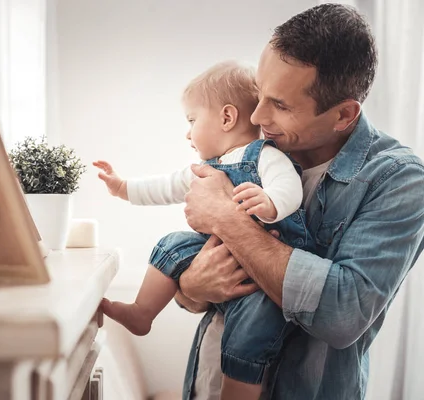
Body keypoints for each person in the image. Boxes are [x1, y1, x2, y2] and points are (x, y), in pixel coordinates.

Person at [176, 4, 424, 400]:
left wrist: (226, 218)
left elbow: (341, 314)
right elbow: (191, 286)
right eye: (261, 93)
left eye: (281, 105)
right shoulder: (253, 150)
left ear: (343, 114)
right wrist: (190, 286)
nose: (256, 116)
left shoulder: (398, 179)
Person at [94, 61, 314, 400]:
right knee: (170, 245)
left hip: (261, 280)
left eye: (192, 121)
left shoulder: (264, 156)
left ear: (226, 118)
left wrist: (270, 203)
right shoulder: (204, 168)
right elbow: (164, 187)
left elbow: (289, 187)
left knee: (247, 342)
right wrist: (123, 187)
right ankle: (142, 313)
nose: (187, 133)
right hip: (219, 254)